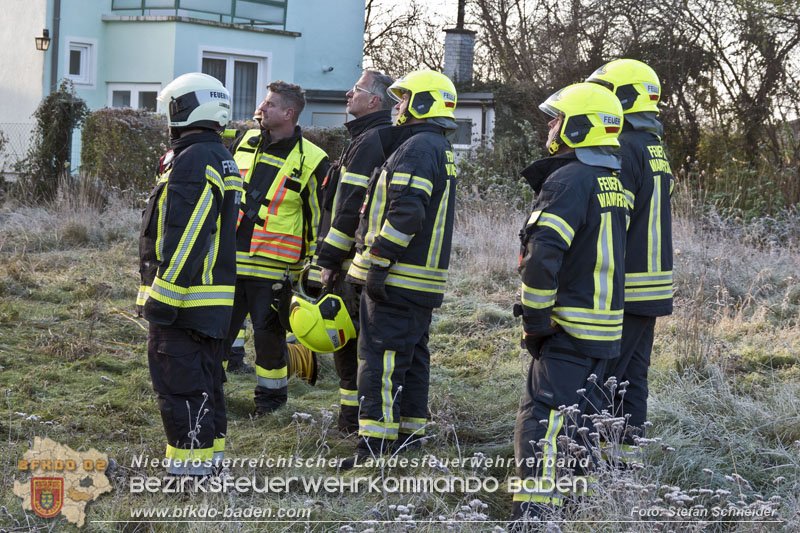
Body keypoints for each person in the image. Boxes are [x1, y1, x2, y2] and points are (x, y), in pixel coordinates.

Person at [511, 82, 628, 520]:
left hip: (568, 329)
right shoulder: (610, 180)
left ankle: (535, 517)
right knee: (584, 421)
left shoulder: (567, 181)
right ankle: (580, 507)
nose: (550, 124)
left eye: (557, 118)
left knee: (545, 416)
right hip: (605, 330)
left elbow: (541, 259)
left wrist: (536, 323)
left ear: (579, 128)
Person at [342, 70, 458, 464]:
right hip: (417, 282)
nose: (398, 106)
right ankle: (408, 439)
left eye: (406, 99)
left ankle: (374, 447)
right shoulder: (434, 146)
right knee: (411, 359)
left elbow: (405, 213)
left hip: (398, 279)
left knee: (382, 360)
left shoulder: (418, 148)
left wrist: (377, 264)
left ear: (424, 104)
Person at [136, 72, 241, 477]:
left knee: (178, 388)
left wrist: (164, 294)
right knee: (205, 387)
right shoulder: (218, 155)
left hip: (184, 304)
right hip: (210, 303)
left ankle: (187, 478)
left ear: (183, 108)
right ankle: (209, 469)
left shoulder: (194, 158)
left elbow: (187, 232)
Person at [586, 59, 674, 464]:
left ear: (623, 97)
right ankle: (624, 462)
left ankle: (583, 462)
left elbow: (611, 220)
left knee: (600, 378)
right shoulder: (653, 146)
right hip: (652, 285)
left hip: (625, 285)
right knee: (632, 378)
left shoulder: (623, 147)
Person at [226, 81, 328, 416]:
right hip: (228, 264)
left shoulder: (313, 160)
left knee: (270, 343)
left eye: (270, 103)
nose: (262, 107)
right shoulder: (245, 142)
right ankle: (210, 397)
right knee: (215, 336)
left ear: (288, 113)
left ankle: (270, 407)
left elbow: (316, 220)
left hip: (274, 273)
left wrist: (308, 271)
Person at [313, 69, 395, 434]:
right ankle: (351, 419)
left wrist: (329, 260)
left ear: (374, 100)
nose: (349, 93)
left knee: (349, 342)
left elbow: (349, 207)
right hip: (352, 259)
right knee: (349, 343)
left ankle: (353, 422)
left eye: (357, 89)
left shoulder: (371, 140)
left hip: (351, 262)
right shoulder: (364, 137)